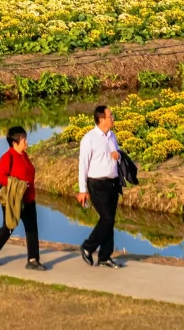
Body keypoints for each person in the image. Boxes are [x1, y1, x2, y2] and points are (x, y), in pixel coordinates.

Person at [0, 126, 42, 270]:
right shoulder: (8, 157)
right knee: (9, 226)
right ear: (14, 143)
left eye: (25, 138)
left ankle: (33, 260)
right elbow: (1, 177)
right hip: (14, 200)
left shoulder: (24, 155)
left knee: (32, 228)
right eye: (23, 139)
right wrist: (17, 184)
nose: (26, 142)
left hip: (28, 199)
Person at [77, 104, 123, 267]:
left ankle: (105, 256)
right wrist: (83, 190)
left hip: (112, 182)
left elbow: (116, 156)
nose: (113, 118)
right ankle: (88, 246)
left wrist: (117, 156)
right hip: (96, 184)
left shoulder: (112, 136)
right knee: (107, 219)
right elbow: (83, 165)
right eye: (111, 116)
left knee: (110, 220)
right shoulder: (89, 139)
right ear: (102, 119)